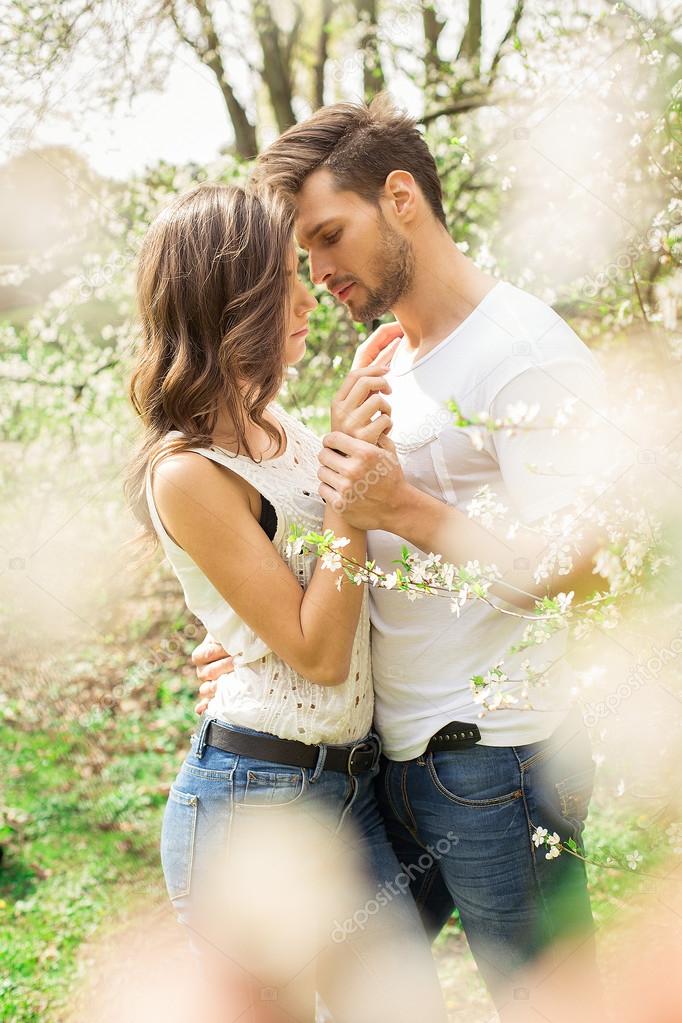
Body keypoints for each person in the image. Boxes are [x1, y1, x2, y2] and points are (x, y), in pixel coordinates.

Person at [193, 95, 607, 1016]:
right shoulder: (391, 358)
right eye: (306, 254)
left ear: (401, 195)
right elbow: (356, 554)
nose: (319, 272)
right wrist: (254, 646)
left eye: (330, 236)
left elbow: (581, 571)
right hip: (384, 764)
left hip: (494, 763)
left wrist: (408, 506)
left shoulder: (525, 354)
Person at [124, 181, 448, 1023]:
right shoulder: (188, 470)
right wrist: (346, 484)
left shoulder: (278, 424)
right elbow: (315, 650)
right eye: (282, 281)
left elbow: (310, 593)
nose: (309, 296)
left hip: (346, 792)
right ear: (230, 301)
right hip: (253, 805)